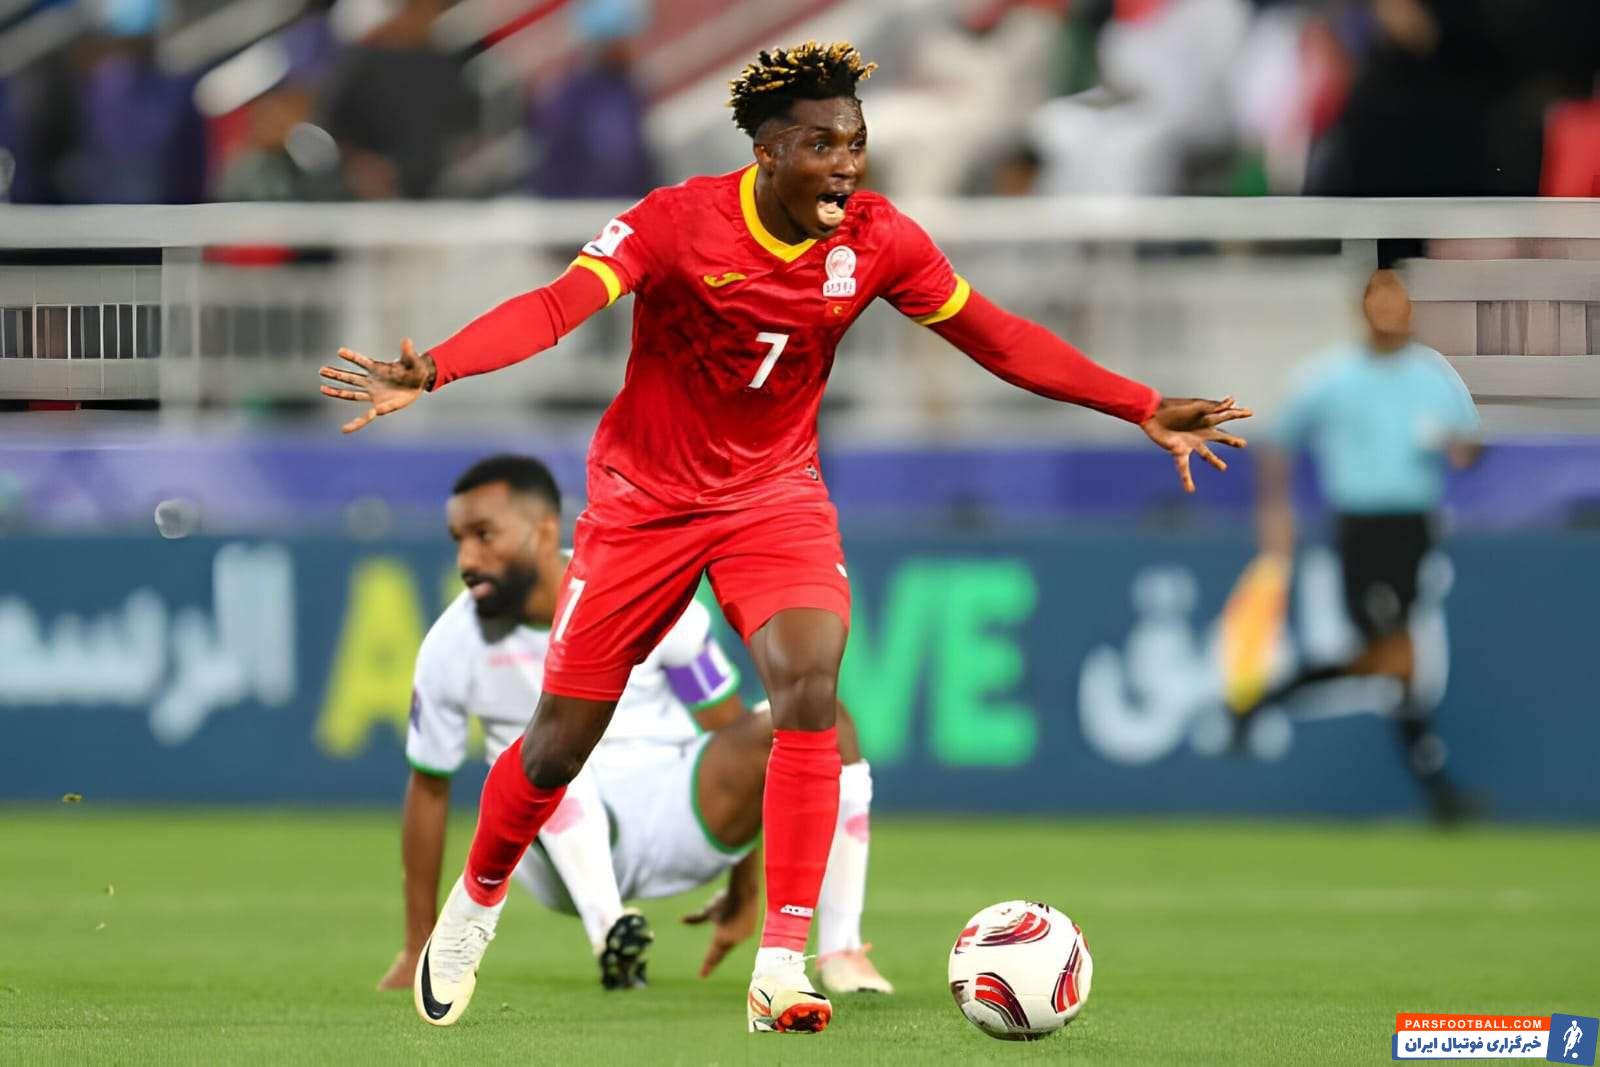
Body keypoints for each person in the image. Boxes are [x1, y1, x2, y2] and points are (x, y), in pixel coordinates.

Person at [319, 40, 1248, 1035]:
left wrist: (1138, 403)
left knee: (809, 683)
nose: (845, 165)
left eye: (854, 142)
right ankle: (475, 904)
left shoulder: (880, 240)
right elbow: (557, 307)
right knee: (556, 742)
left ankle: (782, 964)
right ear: (766, 152)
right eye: (820, 145)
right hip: (644, 501)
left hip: (773, 495)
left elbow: (997, 335)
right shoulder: (675, 222)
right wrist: (440, 366)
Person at [376, 454, 891, 997]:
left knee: (825, 722)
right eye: (459, 540)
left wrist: (745, 886)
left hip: (677, 816)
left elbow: (736, 732)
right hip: (559, 854)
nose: (467, 559)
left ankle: (841, 951)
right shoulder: (449, 646)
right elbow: (429, 789)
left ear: (544, 530)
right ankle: (610, 933)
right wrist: (416, 946)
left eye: (484, 535)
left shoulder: (645, 592)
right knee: (553, 753)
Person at [1236, 268, 1480, 822]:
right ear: (1362, 310)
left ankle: (1265, 699)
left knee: (1385, 660)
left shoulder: (1433, 376)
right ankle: (1439, 789)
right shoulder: (1332, 376)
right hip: (1361, 530)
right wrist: (1275, 512)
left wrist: (1456, 447)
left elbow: (1470, 446)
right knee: (1397, 655)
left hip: (1413, 529)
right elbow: (1278, 439)